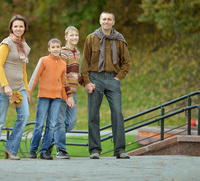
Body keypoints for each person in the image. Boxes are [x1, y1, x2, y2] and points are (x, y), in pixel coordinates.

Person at [81, 11, 131, 159]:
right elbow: (85, 62)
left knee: (117, 113)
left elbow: (127, 62)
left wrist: (118, 77)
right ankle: (95, 150)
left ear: (113, 22)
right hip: (95, 78)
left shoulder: (119, 40)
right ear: (100, 21)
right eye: (104, 19)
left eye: (109, 19)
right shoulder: (91, 38)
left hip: (112, 79)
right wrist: (87, 81)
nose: (106, 22)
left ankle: (120, 150)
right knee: (93, 115)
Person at [0, 14, 31, 160]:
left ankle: (11, 149)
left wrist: (27, 90)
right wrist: (5, 86)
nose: (18, 28)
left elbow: (23, 70)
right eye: (16, 26)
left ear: (24, 28)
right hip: (3, 89)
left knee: (24, 116)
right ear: (11, 27)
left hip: (19, 88)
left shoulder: (25, 46)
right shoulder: (6, 43)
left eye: (21, 26)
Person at [28, 38, 72, 160]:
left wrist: (67, 98)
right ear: (49, 49)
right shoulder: (43, 60)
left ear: (61, 48)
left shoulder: (63, 64)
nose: (55, 49)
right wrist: (28, 93)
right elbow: (34, 77)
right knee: (39, 124)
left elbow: (63, 83)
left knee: (51, 125)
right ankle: (33, 149)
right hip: (44, 97)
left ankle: (44, 151)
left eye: (58, 47)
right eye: (53, 47)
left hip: (57, 98)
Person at [53, 26, 82, 159]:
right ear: (66, 37)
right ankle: (61, 150)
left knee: (71, 122)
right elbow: (62, 75)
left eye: (76, 35)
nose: (74, 37)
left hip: (73, 92)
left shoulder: (78, 53)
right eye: (71, 35)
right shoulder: (63, 53)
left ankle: (51, 138)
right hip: (62, 91)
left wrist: (85, 83)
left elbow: (74, 73)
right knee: (60, 121)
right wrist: (68, 94)